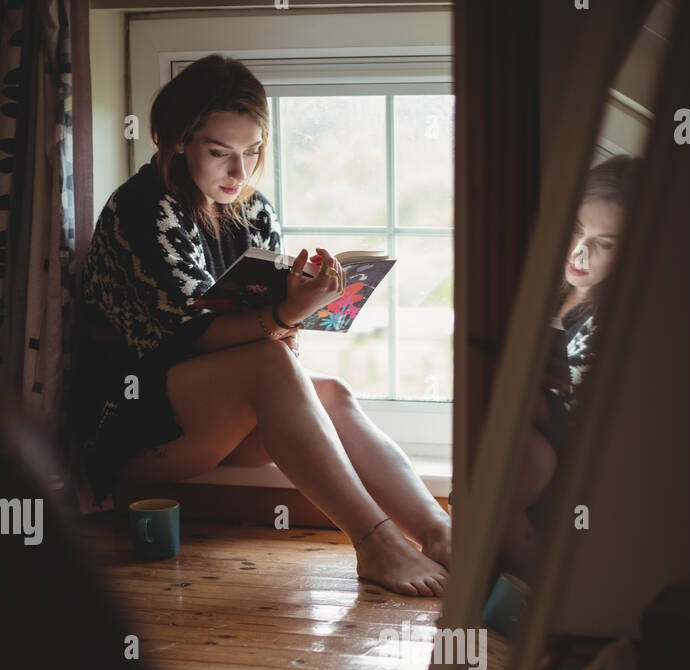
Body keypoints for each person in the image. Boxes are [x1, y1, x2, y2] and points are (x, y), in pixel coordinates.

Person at [71, 55, 450, 597]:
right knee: (271, 361)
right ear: (175, 142)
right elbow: (189, 338)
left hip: (210, 410)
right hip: (135, 423)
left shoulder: (253, 210)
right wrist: (285, 315)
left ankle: (439, 532)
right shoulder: (143, 209)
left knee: (334, 394)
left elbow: (262, 330)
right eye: (219, 153)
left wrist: (301, 307)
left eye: (251, 153)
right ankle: (374, 542)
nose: (239, 173)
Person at [496, 155, 640, 583]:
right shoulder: (539, 284)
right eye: (577, 230)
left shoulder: (619, 315)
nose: (580, 252)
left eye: (605, 243)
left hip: (566, 468)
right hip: (518, 448)